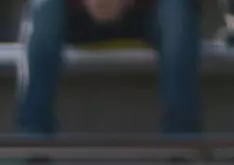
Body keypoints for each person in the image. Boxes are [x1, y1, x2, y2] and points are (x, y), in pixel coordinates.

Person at [16, 0, 202, 136]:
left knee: (178, 10)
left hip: (145, 13)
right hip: (73, 14)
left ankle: (181, 134)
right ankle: (34, 131)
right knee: (43, 7)